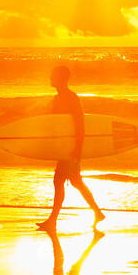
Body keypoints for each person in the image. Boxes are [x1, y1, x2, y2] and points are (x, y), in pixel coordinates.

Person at [37, 65, 106, 231]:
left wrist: (77, 150)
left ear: (60, 78)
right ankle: (97, 212)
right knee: (75, 181)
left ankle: (52, 221)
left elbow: (79, 124)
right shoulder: (59, 98)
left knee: (59, 181)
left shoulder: (70, 97)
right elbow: (58, 124)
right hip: (64, 148)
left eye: (52, 75)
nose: (49, 77)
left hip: (71, 149)